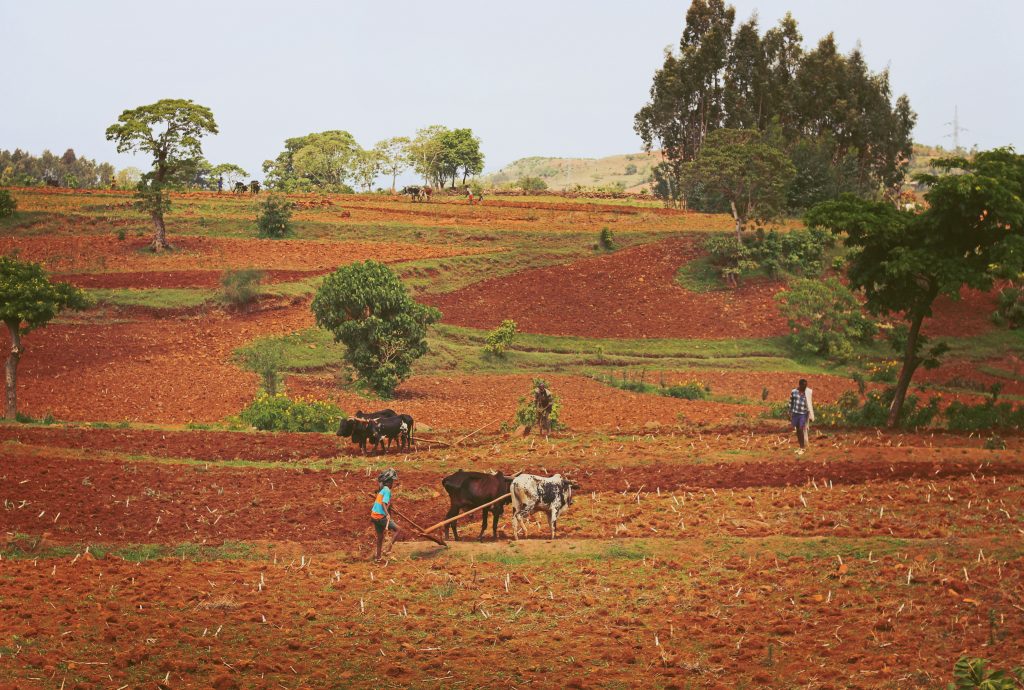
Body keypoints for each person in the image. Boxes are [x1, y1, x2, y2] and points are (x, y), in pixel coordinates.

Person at [370, 469, 399, 561]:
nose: (393, 483)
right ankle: (387, 550)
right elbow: (383, 503)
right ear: (389, 481)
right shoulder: (387, 490)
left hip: (374, 516)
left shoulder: (381, 490)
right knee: (398, 530)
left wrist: (391, 507)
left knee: (380, 537)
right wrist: (387, 514)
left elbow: (386, 503)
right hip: (380, 516)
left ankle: (378, 557)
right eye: (392, 481)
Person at [789, 378, 815, 455]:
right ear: (800, 385)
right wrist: (789, 412)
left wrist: (810, 415)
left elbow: (809, 404)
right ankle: (800, 447)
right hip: (795, 413)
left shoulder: (807, 393)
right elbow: (791, 402)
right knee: (797, 430)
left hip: (803, 414)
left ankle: (802, 447)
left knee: (801, 429)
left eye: (806, 385)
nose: (805, 387)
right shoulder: (794, 392)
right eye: (804, 385)